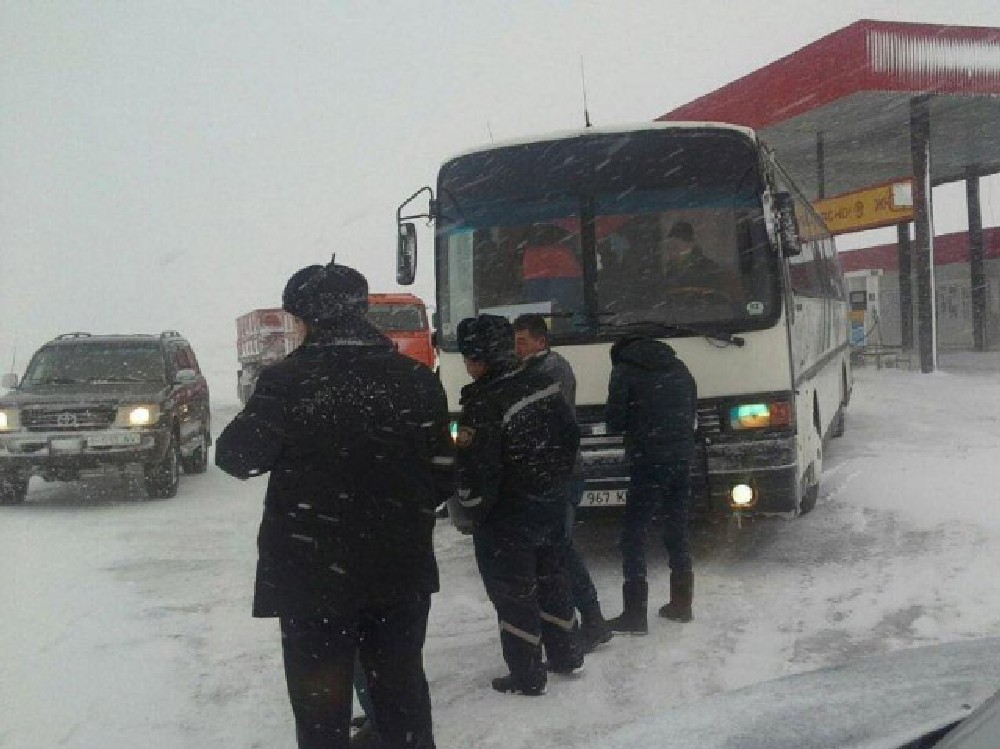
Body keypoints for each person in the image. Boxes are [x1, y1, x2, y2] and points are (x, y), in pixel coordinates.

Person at [215, 259, 453, 749]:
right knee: (402, 693)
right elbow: (445, 473)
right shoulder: (416, 379)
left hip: (311, 576)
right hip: (398, 570)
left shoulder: (287, 382)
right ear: (362, 310)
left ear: (302, 317)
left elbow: (236, 456)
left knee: (321, 710)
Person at [453, 314, 584, 696]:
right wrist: (551, 484)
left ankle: (527, 674)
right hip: (550, 504)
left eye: (468, 357)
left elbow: (479, 471)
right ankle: (567, 653)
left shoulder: (484, 403)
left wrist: (473, 508)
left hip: (506, 517)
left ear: (480, 358)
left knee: (514, 594)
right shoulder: (544, 383)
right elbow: (569, 437)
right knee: (553, 578)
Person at [512, 313, 613, 653]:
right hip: (558, 472)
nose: (516, 348)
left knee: (562, 551)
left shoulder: (549, 370)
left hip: (561, 474)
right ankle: (575, 620)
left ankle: (592, 620)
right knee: (558, 550)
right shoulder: (543, 368)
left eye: (522, 342)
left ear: (541, 341)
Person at [604, 334, 697, 634]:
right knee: (677, 528)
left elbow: (614, 421)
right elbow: (691, 411)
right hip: (682, 458)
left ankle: (635, 613)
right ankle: (681, 603)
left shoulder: (624, 371)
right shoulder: (680, 368)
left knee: (634, 534)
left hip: (647, 460)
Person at [660, 220, 743, 300]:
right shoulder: (670, 271)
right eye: (668, 248)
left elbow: (719, 298)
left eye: (675, 247)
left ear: (690, 245)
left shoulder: (710, 269)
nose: (671, 253)